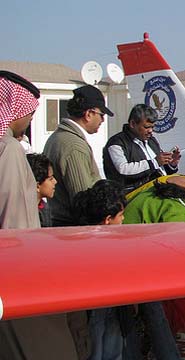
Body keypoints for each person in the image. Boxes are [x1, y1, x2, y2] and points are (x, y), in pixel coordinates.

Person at [0, 71, 80, 360]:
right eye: (29, 114)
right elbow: (15, 224)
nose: (29, 122)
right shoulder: (8, 150)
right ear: (13, 108)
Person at [121, 173, 185, 359]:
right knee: (155, 310)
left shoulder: (175, 195)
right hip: (129, 254)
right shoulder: (178, 210)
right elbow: (172, 251)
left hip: (127, 249)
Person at [72, 180, 127, 360]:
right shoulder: (103, 246)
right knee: (102, 340)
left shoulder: (81, 240)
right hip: (101, 304)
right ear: (107, 219)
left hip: (102, 305)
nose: (124, 220)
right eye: (121, 215)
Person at [43, 85, 111, 227]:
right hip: (73, 227)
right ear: (89, 114)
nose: (102, 120)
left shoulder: (58, 137)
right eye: (101, 115)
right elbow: (83, 199)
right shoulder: (73, 145)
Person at [103, 104, 181, 194]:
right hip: (131, 196)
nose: (151, 131)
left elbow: (157, 167)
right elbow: (123, 169)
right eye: (147, 127)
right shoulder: (116, 143)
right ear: (132, 124)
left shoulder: (151, 141)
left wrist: (171, 164)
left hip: (155, 191)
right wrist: (154, 162)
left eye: (152, 127)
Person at [26, 153, 57, 227]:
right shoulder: (24, 214)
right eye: (50, 179)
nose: (55, 181)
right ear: (37, 185)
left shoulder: (45, 208)